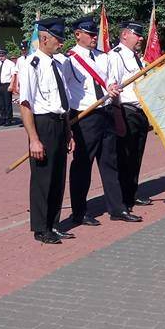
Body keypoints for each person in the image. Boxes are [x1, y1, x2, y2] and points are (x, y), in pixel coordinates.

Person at [64, 17, 138, 226]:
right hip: (85, 117)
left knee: (110, 163)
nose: (94, 37)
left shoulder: (104, 57)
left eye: (95, 33)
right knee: (82, 166)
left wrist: (112, 89)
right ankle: (79, 212)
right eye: (89, 34)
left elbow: (110, 81)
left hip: (105, 113)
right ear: (78, 34)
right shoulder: (69, 60)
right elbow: (65, 90)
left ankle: (117, 208)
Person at [18, 17, 74, 244]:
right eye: (58, 39)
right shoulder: (31, 64)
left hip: (60, 124)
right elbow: (25, 104)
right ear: (44, 38)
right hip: (44, 125)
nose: (61, 44)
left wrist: (69, 132)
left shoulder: (58, 64)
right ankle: (41, 228)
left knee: (59, 178)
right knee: (43, 178)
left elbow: (64, 102)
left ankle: (54, 223)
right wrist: (34, 139)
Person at [111, 21, 155, 214]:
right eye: (137, 35)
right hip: (126, 111)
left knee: (136, 155)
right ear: (125, 35)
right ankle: (122, 198)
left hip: (140, 111)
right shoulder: (116, 56)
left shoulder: (137, 58)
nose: (141, 38)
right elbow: (114, 87)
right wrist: (118, 116)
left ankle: (131, 193)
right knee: (125, 156)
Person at [0, 48, 17, 126]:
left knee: (7, 103)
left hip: (6, 85)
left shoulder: (10, 64)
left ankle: (9, 119)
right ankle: (3, 118)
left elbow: (13, 75)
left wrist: (11, 85)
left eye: (2, 55)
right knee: (1, 103)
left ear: (5, 55)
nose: (1, 57)